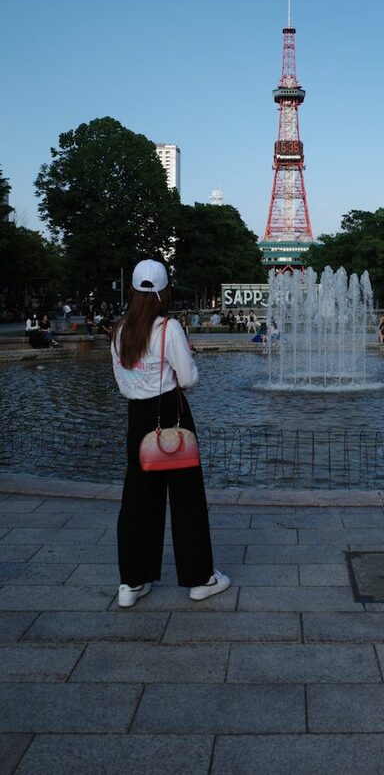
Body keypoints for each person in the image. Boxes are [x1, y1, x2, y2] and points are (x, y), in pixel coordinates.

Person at [111, 259, 229, 608]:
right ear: (164, 292)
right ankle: (199, 579)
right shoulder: (168, 329)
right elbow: (188, 378)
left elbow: (122, 382)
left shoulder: (119, 330)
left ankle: (132, 581)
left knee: (137, 499)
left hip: (138, 417)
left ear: (132, 291)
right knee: (186, 499)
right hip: (171, 414)